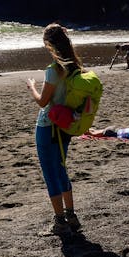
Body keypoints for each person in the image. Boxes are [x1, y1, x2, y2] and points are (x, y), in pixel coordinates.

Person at [26, 23, 84, 235]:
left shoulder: (53, 70)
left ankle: (60, 221)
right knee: (60, 167)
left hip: (47, 126)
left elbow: (43, 102)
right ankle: (71, 216)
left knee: (50, 173)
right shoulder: (75, 67)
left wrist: (31, 86)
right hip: (65, 125)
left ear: (49, 45)